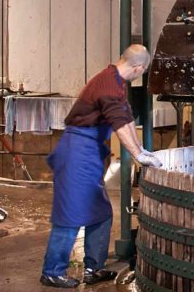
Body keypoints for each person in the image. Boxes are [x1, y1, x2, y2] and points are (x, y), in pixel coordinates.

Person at [40, 44, 163, 288]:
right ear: (139, 67)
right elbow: (118, 124)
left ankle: (92, 268)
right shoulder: (108, 85)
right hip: (77, 152)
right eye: (144, 70)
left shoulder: (115, 80)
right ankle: (52, 271)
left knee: (101, 213)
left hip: (90, 152)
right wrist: (137, 154)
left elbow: (125, 118)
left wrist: (141, 150)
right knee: (70, 214)